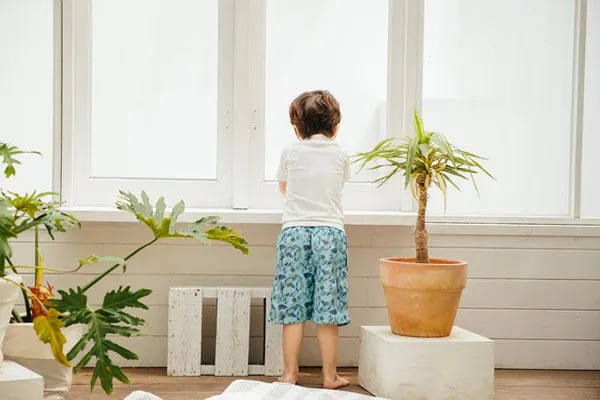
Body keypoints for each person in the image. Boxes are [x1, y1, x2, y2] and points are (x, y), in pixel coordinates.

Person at [267, 90, 351, 390]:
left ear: (297, 127)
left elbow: (285, 189)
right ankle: (330, 377)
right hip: (330, 232)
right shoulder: (341, 154)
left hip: (294, 233)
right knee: (327, 307)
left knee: (293, 307)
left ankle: (289, 374)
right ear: (335, 126)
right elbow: (336, 186)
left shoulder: (290, 152)